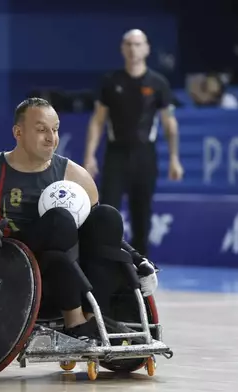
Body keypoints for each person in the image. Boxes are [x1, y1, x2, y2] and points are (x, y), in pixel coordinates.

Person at [0, 98, 158, 341]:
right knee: (59, 220)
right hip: (13, 272)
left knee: (107, 215)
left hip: (70, 277)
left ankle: (90, 317)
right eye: (41, 129)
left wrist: (139, 260)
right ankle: (74, 322)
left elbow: (106, 237)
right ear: (18, 132)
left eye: (55, 129)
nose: (51, 137)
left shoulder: (76, 175)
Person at [83, 29, 184, 256]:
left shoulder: (158, 83)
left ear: (147, 48)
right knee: (108, 211)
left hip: (144, 155)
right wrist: (89, 155)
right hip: (116, 154)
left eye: (138, 44)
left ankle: (141, 266)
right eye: (128, 44)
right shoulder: (110, 82)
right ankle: (106, 261)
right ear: (122, 49)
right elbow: (98, 120)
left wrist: (174, 158)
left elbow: (169, 123)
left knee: (142, 214)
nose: (133, 49)